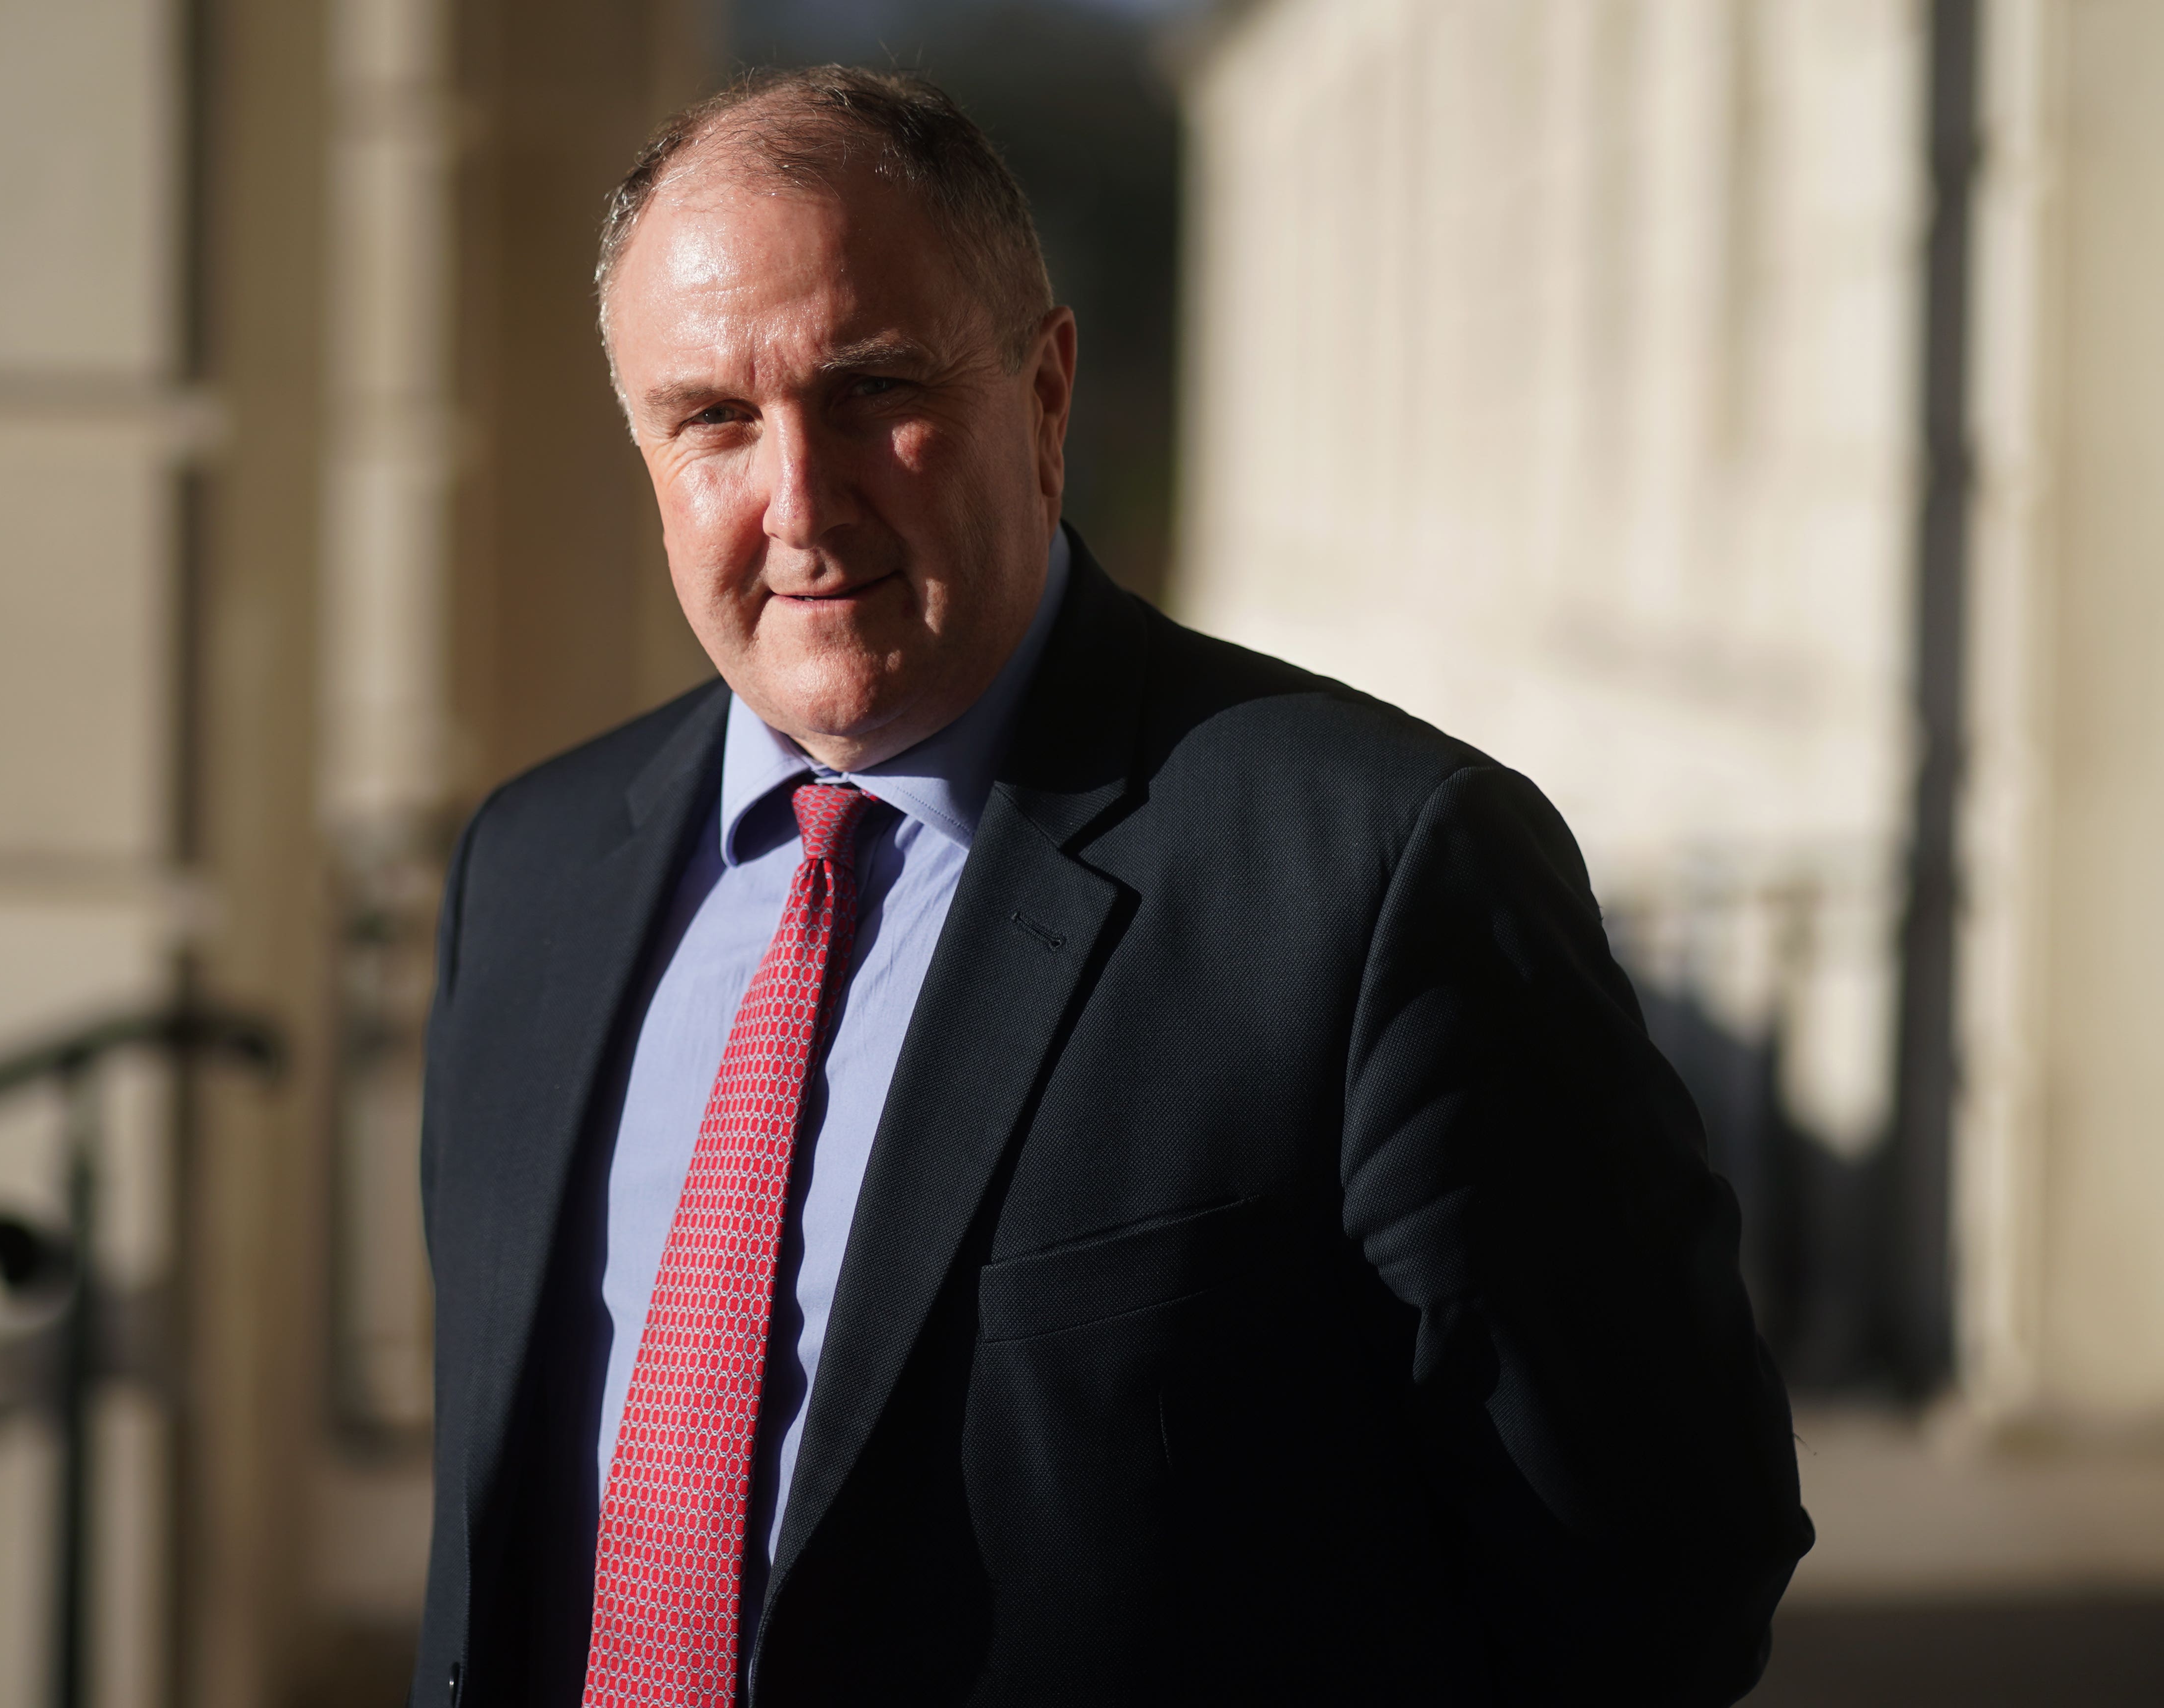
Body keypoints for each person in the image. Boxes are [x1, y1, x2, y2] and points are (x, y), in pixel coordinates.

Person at [411, 65, 1811, 1708]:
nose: (799, 502)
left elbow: (1659, 1584)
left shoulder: (1378, 875)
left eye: (872, 389)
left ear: (1048, 389)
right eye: (714, 419)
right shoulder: (533, 871)